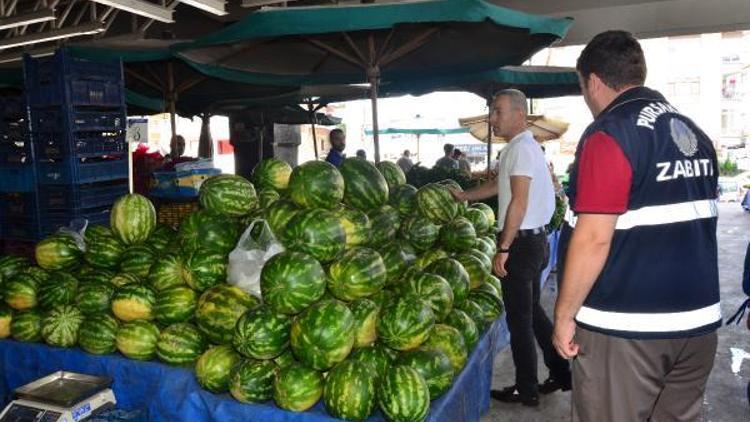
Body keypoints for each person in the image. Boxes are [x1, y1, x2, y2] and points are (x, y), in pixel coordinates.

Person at [552, 30, 721, 422]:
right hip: (697, 329)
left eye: (582, 88)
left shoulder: (612, 133)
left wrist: (563, 316)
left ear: (593, 81)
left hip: (628, 331)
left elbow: (593, 238)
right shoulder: (692, 132)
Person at [452, 89, 571, 407]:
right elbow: (499, 186)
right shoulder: (521, 148)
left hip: (522, 244)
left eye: (498, 111)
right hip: (535, 242)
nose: (492, 118)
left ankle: (526, 388)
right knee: (533, 314)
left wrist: (503, 247)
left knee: (519, 321)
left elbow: (518, 200)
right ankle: (562, 373)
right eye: (492, 112)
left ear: (519, 115)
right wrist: (465, 196)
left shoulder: (520, 150)